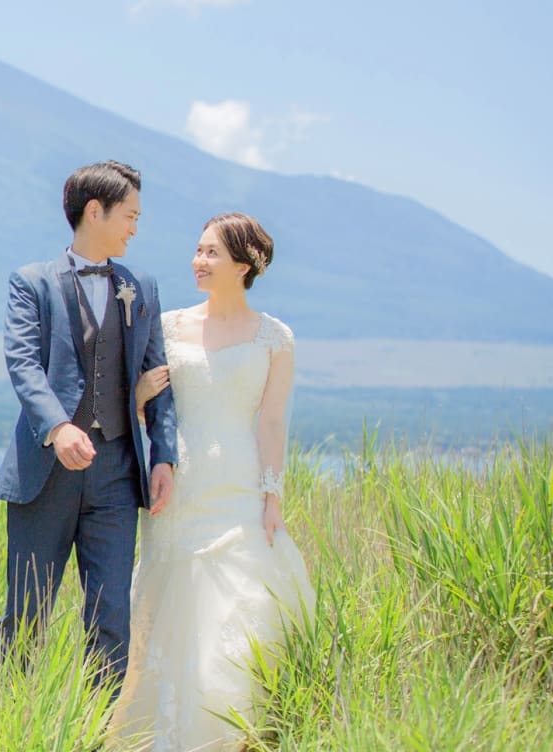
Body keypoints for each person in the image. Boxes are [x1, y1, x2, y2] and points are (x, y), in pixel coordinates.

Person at [111, 212, 314, 750]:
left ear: (244, 265)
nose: (198, 261)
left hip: (239, 488)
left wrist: (273, 496)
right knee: (172, 598)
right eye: (198, 250)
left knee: (240, 609)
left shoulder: (275, 337)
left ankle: (230, 730)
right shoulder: (169, 325)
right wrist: (139, 398)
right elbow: (138, 405)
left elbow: (271, 421)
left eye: (212, 253)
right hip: (177, 483)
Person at [0, 160, 179, 692]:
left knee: (111, 618)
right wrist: (57, 426)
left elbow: (157, 374)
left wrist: (162, 455)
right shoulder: (32, 283)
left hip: (118, 475)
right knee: (25, 615)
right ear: (94, 212)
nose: (135, 228)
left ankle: (97, 733)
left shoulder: (140, 285)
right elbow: (23, 364)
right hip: (45, 475)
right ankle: (9, 722)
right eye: (130, 215)